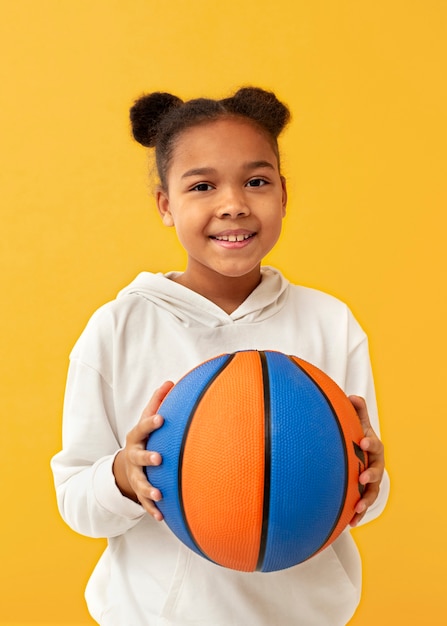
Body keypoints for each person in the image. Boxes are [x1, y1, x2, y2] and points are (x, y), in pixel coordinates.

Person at [51, 87, 389, 626]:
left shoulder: (330, 322)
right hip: (155, 616)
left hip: (306, 615)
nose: (233, 203)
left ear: (284, 194)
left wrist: (371, 477)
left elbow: (362, 496)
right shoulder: (118, 328)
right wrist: (122, 475)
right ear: (166, 204)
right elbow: (76, 501)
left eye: (256, 182)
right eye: (203, 185)